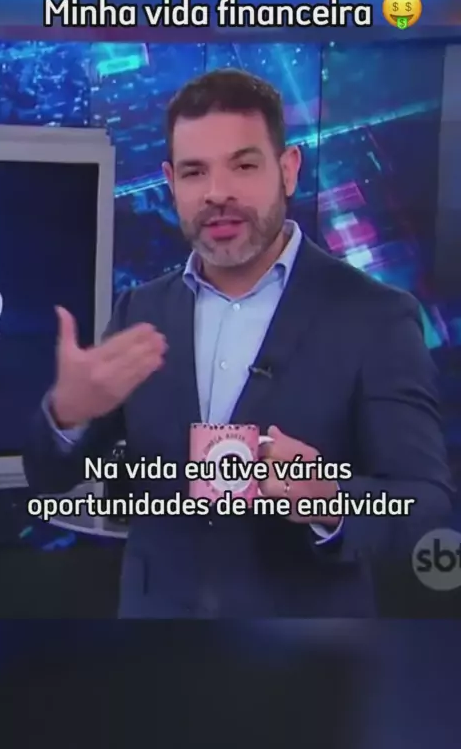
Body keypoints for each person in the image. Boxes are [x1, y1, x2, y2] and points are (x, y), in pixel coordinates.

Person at [23, 68, 454, 618]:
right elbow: (50, 478)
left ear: (288, 169)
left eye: (244, 165)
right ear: (170, 181)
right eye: (194, 171)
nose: (217, 192)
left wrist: (329, 500)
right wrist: (67, 414)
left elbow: (424, 504)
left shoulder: (375, 317)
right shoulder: (141, 311)